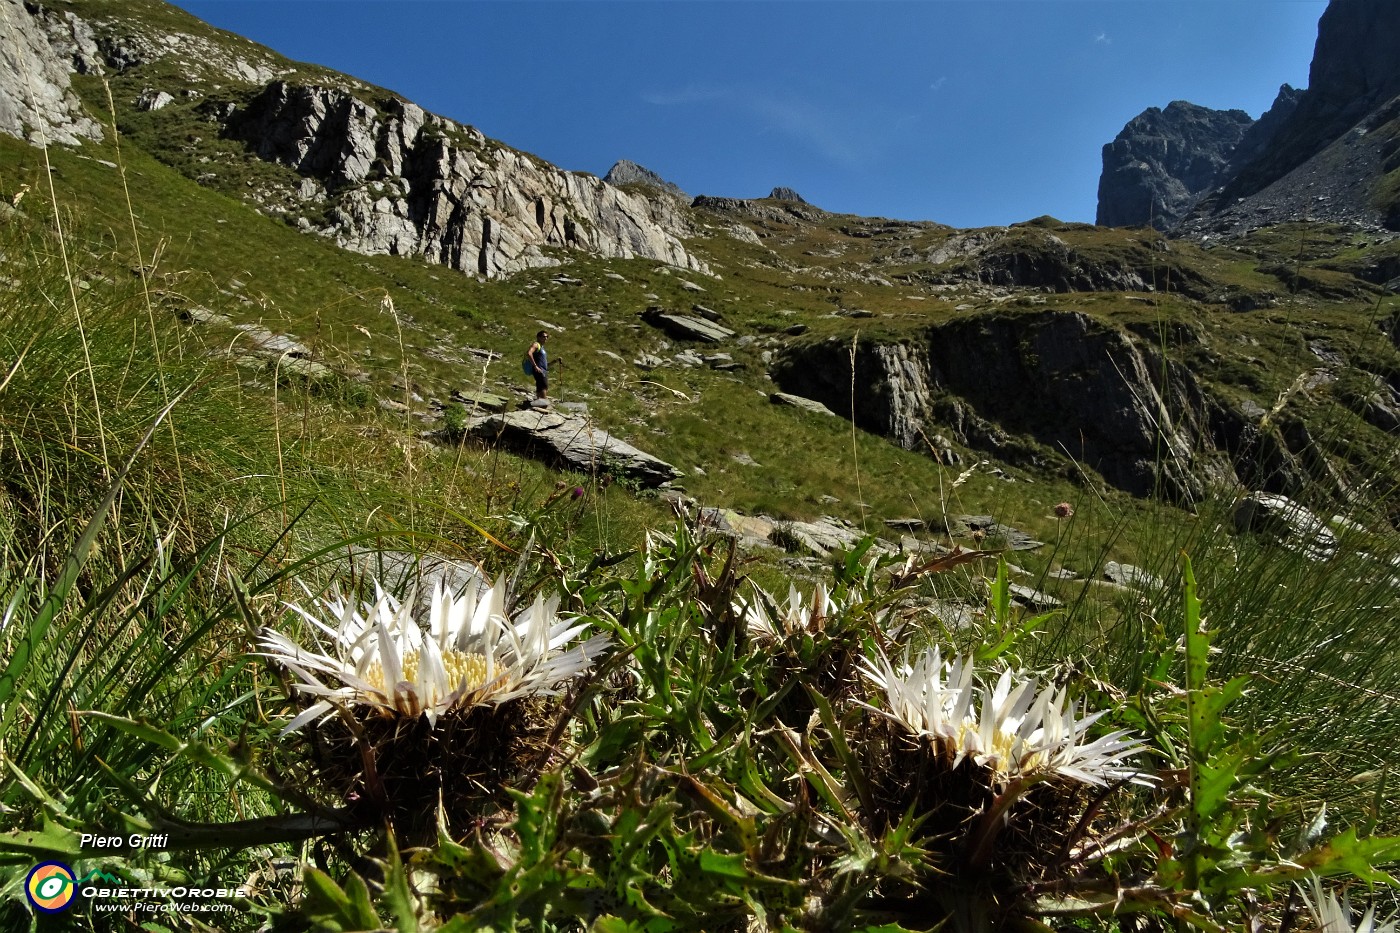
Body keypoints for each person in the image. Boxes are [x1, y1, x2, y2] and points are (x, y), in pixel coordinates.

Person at [524, 330, 549, 399]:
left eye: (547, 337)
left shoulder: (541, 347)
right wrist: (535, 366)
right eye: (544, 336)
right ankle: (543, 403)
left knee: (540, 386)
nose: (546, 338)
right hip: (539, 370)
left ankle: (539, 401)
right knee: (544, 386)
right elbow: (529, 353)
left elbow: (544, 362)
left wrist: (555, 361)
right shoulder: (536, 345)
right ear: (538, 337)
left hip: (542, 370)